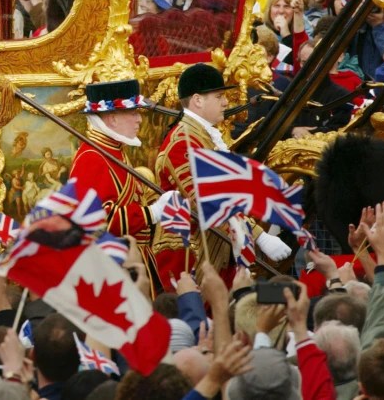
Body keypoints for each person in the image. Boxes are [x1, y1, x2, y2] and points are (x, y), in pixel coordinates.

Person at [154, 64, 290, 285]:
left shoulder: (201, 137)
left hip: (215, 251)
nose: (226, 102)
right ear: (198, 100)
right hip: (190, 259)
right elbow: (207, 202)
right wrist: (259, 236)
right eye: (219, 96)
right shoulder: (183, 142)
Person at [68, 78, 163, 294]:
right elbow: (95, 223)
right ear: (111, 118)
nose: (139, 119)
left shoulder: (112, 150)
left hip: (133, 262)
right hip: (115, 271)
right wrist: (150, 214)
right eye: (133, 113)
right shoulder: (91, 158)